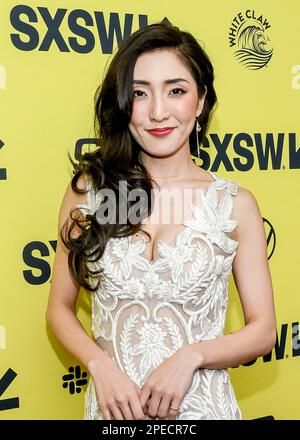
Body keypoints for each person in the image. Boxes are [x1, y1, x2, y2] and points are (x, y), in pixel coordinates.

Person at [46, 22, 277, 420]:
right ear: (122, 103)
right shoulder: (90, 192)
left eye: (176, 91)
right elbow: (59, 309)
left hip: (204, 410)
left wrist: (193, 356)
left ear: (201, 101)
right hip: (113, 413)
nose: (157, 112)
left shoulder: (235, 204)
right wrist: (99, 366)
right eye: (139, 93)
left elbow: (263, 330)